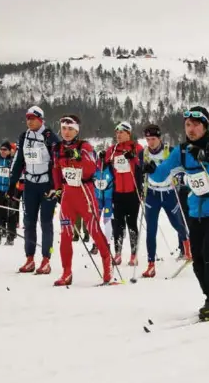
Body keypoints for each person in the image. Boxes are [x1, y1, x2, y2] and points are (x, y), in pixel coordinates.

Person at [148, 106, 209, 320]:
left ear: (205, 126)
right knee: (197, 257)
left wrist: (206, 158)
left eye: (196, 125)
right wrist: (150, 170)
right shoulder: (182, 151)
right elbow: (162, 174)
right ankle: (208, 295)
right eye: (188, 125)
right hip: (196, 210)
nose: (191, 129)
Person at [50, 115, 113, 286]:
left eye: (71, 129)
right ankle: (66, 272)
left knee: (94, 230)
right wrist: (57, 188)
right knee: (65, 234)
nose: (67, 132)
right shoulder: (57, 148)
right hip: (68, 195)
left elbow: (91, 168)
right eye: (64, 128)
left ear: (77, 130)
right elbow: (56, 169)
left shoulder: (84, 146)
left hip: (85, 193)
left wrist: (78, 156)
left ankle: (107, 265)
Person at [9, 106, 60, 274]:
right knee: (28, 222)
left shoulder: (49, 137)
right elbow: (18, 162)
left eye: (32, 118)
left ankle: (46, 259)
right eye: (27, 118)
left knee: (46, 223)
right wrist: (12, 185)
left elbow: (58, 163)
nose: (29, 121)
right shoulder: (24, 136)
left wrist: (56, 187)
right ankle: (30, 258)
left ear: (41, 119)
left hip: (46, 185)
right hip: (30, 184)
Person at [139, 124, 190, 278]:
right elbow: (141, 170)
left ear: (159, 138)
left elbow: (182, 168)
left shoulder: (170, 151)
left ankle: (188, 249)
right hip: (152, 195)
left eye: (153, 139)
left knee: (177, 224)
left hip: (169, 193)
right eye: (148, 139)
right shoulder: (144, 153)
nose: (150, 142)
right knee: (151, 229)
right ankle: (151, 265)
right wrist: (144, 170)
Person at [105, 121, 144, 265]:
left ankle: (134, 255)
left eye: (121, 132)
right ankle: (118, 253)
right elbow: (104, 165)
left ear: (129, 133)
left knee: (132, 223)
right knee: (118, 224)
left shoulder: (137, 148)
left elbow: (143, 165)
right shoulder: (112, 149)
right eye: (117, 132)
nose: (118, 135)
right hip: (117, 193)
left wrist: (133, 157)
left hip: (132, 192)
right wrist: (103, 160)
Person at [92, 149, 115, 255]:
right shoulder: (94, 167)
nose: (101, 161)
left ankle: (108, 243)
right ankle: (96, 243)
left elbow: (116, 178)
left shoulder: (110, 166)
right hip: (97, 197)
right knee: (95, 220)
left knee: (107, 220)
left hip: (108, 198)